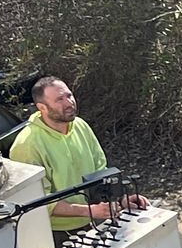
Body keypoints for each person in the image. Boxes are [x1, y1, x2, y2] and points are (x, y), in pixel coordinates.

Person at [8, 76, 135, 234]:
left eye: (69, 95)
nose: (69, 103)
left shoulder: (80, 125)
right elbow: (39, 201)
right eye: (59, 99)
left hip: (95, 219)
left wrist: (121, 199)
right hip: (58, 233)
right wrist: (89, 211)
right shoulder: (27, 145)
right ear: (42, 107)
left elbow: (100, 171)